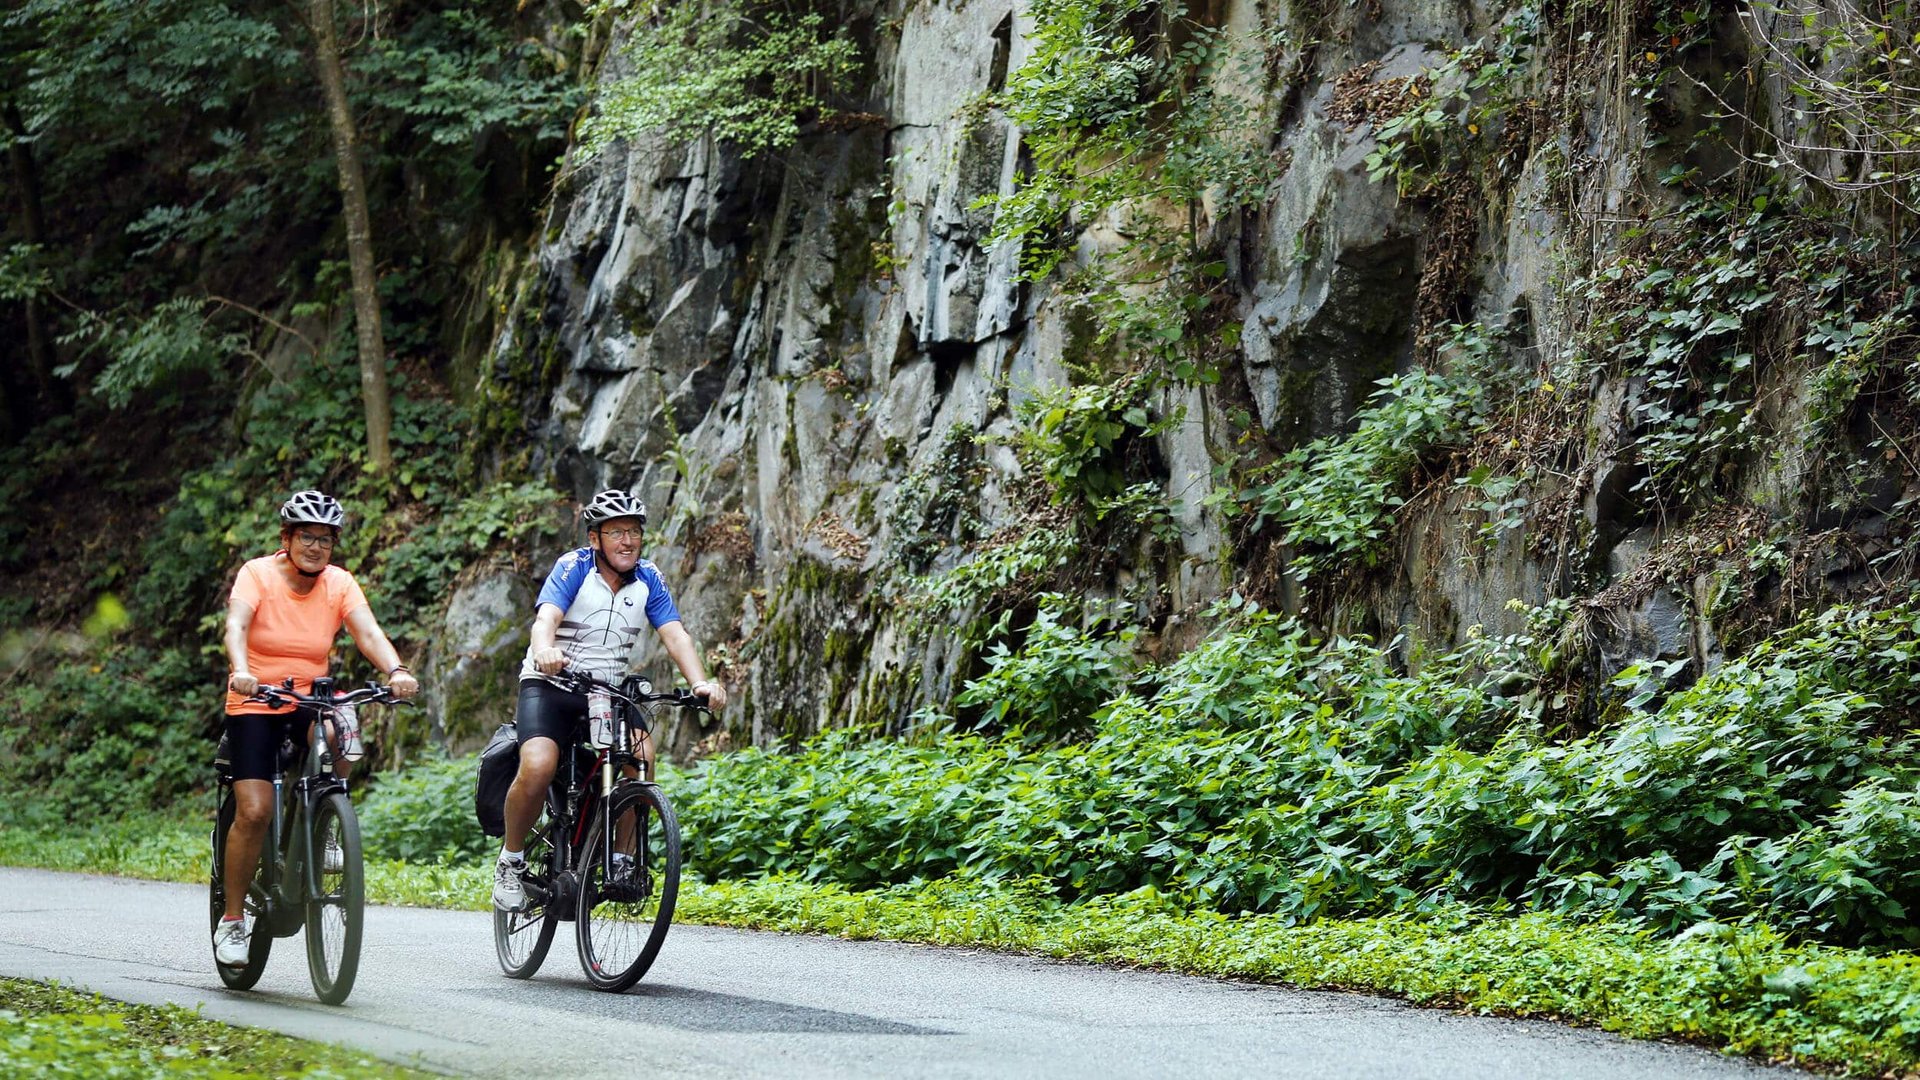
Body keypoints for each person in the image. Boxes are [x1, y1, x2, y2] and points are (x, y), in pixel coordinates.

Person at [493, 488, 728, 910]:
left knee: (642, 757)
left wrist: (700, 683)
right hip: (552, 684)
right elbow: (545, 618)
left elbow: (673, 633)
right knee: (540, 764)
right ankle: (511, 862)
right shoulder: (573, 567)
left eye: (634, 531)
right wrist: (546, 650)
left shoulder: (649, 578)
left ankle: (620, 860)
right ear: (594, 539)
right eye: (616, 531)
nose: (627, 540)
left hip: (607, 690)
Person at [215, 490, 419, 967]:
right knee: (255, 810)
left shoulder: (339, 583)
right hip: (256, 699)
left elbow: (367, 632)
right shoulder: (258, 574)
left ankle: (324, 820)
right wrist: (241, 669)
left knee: (341, 727)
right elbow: (236, 625)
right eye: (306, 536)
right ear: (286, 538)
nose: (315, 547)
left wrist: (396, 670)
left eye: (325, 540)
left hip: (309, 697)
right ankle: (232, 921)